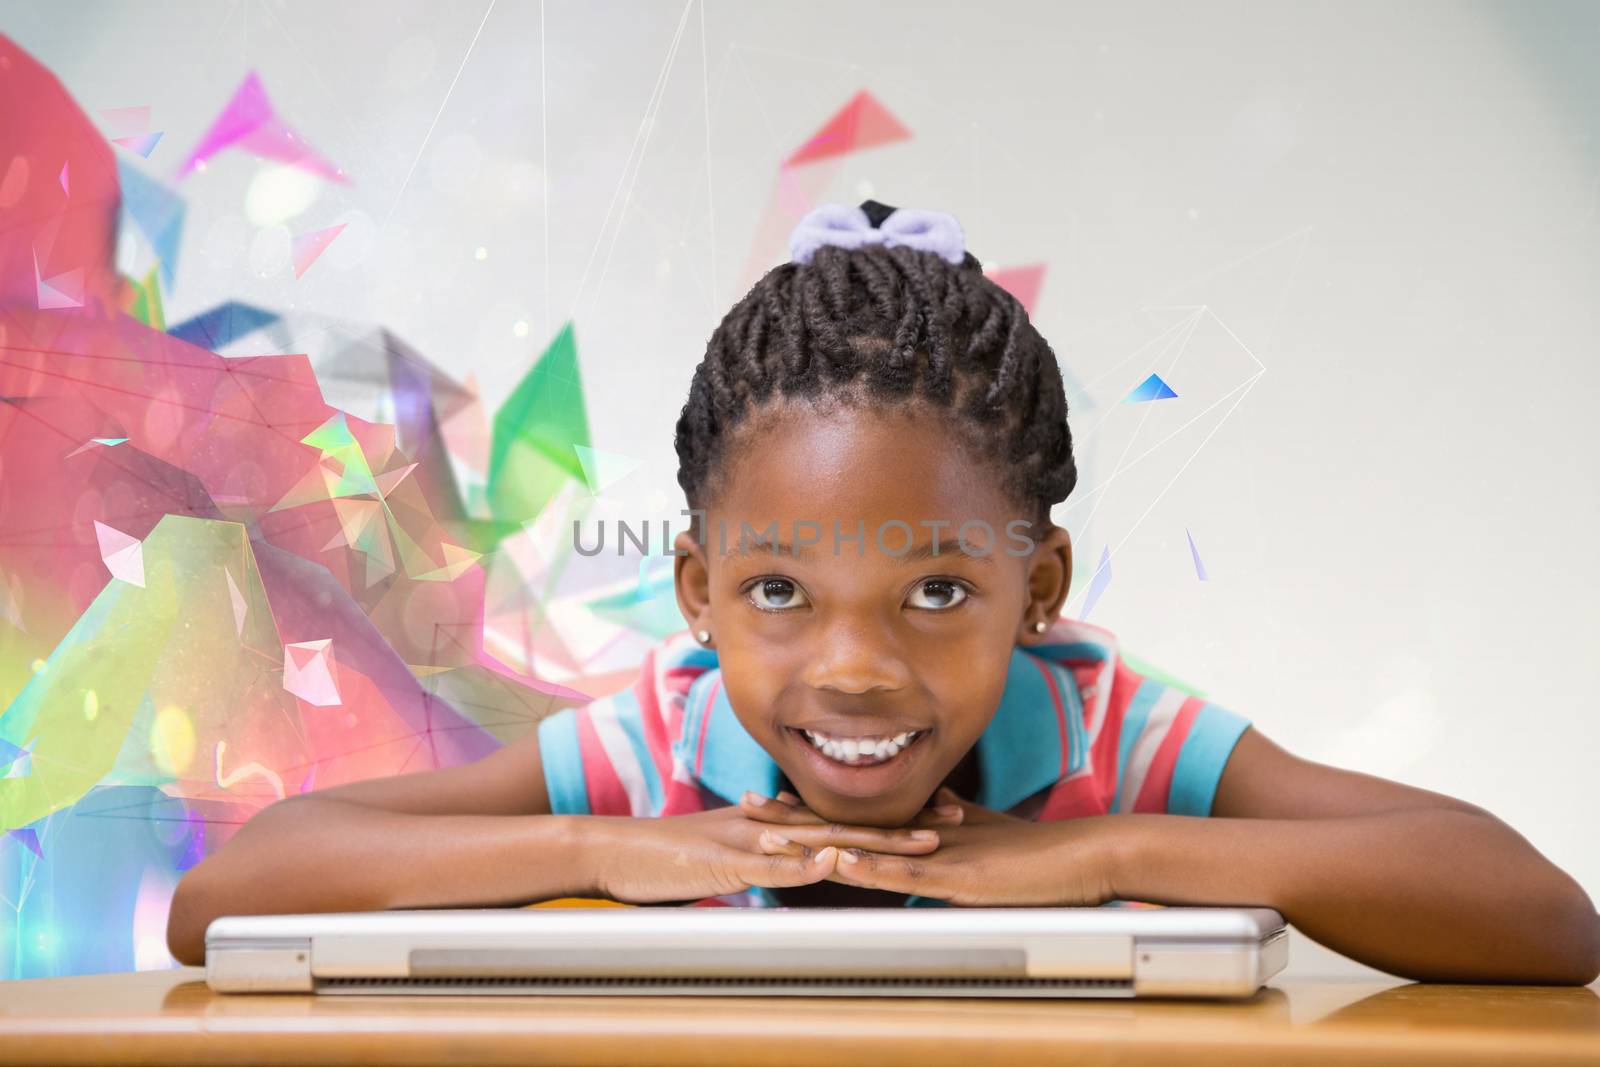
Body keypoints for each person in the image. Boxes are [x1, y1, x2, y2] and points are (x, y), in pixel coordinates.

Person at [167, 201, 1600, 984]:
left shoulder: (1110, 740)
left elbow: (1539, 918)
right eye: (781, 588)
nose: (851, 670)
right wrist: (593, 852)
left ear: (1038, 588)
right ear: (699, 595)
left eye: (932, 594)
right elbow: (228, 894)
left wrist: (1105, 856)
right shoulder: (660, 753)